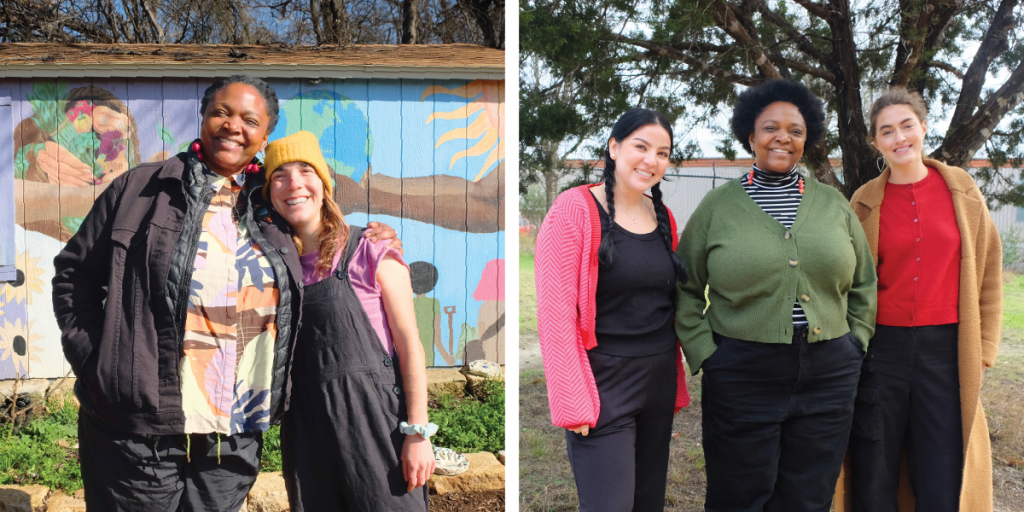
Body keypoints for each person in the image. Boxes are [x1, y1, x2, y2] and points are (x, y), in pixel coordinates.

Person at [51, 76, 398, 512]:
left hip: (233, 436)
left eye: (250, 120)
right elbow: (74, 276)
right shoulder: (140, 190)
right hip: (137, 427)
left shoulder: (273, 208)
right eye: (222, 112)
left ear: (265, 135)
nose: (234, 126)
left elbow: (322, 233)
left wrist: (373, 236)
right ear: (203, 117)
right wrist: (96, 364)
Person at [675, 79, 877, 512]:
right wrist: (706, 353)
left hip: (830, 371)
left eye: (796, 130)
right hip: (741, 371)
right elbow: (684, 285)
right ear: (751, 135)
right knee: (738, 495)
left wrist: (855, 339)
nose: (783, 137)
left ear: (807, 140)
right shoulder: (718, 207)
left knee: (809, 495)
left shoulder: (833, 205)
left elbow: (864, 280)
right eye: (770, 128)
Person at [834, 87, 1003, 512]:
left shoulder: (961, 189)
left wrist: (982, 351)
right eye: (886, 131)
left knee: (942, 474)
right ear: (876, 142)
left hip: (946, 354)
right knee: (874, 473)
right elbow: (849, 282)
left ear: (924, 127)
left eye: (907, 125)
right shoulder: (864, 203)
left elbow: (988, 272)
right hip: (881, 352)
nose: (899, 137)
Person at [264, 131, 435, 511]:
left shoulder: (370, 248)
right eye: (280, 176)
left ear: (323, 184)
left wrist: (418, 433)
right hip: (307, 432)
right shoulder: (269, 268)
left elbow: (410, 344)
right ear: (270, 194)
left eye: (305, 171)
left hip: (377, 425)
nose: (294, 184)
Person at [535, 108, 691, 512]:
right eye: (641, 146)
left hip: (657, 379)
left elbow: (665, 303)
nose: (651, 160)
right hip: (603, 382)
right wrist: (572, 399)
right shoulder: (575, 210)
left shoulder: (664, 218)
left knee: (647, 503)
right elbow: (555, 314)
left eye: (662, 152)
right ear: (615, 147)